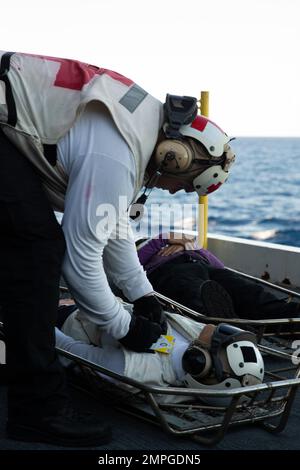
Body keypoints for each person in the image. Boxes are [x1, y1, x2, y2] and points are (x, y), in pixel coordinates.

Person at [0, 50, 235, 445]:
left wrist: (143, 296)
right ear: (178, 157)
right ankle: (37, 409)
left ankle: (29, 376)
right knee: (38, 253)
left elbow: (114, 227)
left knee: (29, 247)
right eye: (184, 183)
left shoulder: (134, 128)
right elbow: (80, 260)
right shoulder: (118, 154)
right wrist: (123, 327)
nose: (174, 190)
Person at [55, 302, 264, 405]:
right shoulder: (194, 338)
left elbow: (69, 349)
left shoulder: (131, 368)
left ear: (199, 363)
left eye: (222, 344)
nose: (216, 330)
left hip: (67, 317)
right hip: (95, 301)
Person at [136, 232, 300, 320]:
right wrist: (170, 239)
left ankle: (291, 315)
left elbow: (218, 265)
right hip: (170, 271)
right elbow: (132, 262)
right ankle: (227, 325)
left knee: (249, 292)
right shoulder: (141, 253)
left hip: (204, 267)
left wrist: (188, 245)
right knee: (194, 293)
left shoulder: (186, 248)